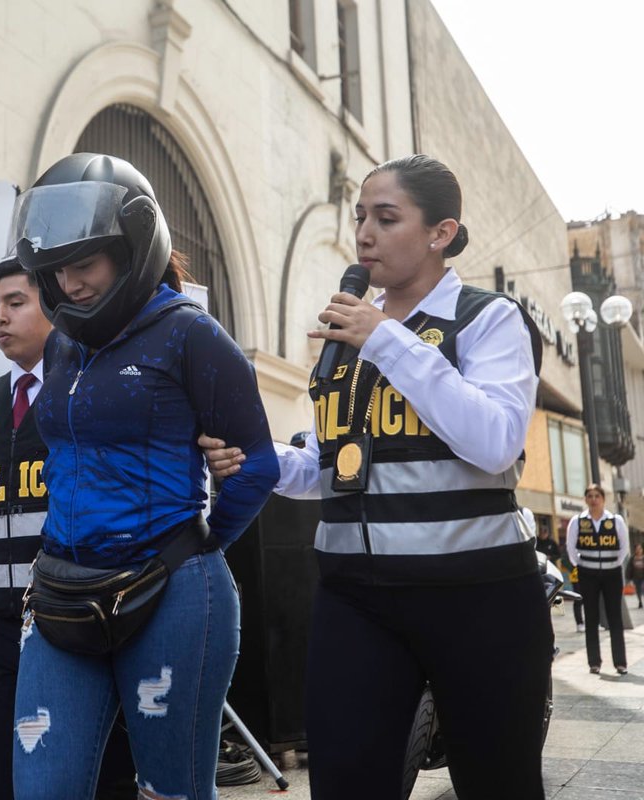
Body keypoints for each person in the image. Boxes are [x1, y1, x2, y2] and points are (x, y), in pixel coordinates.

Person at [205, 155, 550, 799]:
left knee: (498, 782)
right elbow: (332, 467)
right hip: (354, 598)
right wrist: (258, 458)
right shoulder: (353, 337)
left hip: (478, 595)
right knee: (344, 782)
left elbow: (495, 441)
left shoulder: (486, 318)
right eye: (361, 216)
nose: (364, 233)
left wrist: (387, 340)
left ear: (440, 233)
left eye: (386, 218)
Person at [7, 153, 280, 799]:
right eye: (56, 269)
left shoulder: (190, 333)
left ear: (131, 249)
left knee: (171, 793)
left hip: (172, 596)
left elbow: (258, 461)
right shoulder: (62, 344)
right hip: (61, 592)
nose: (69, 284)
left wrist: (205, 543)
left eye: (86, 264)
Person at [0, 257, 136, 799]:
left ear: (51, 303)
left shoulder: (89, 387)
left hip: (72, 615)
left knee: (90, 770)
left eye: (15, 303)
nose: (0, 317)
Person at [567, 484, 630, 674]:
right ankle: (594, 662)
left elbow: (624, 548)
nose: (593, 499)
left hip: (611, 574)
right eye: (590, 496)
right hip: (588, 574)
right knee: (591, 617)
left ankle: (620, 662)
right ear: (585, 499)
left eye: (597, 496)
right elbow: (571, 548)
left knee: (615, 618)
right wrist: (583, 564)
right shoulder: (577, 521)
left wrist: (612, 564)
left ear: (603, 499)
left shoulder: (615, 520)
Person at [628, 543, 644, 610]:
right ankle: (640, 602)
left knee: (642, 589)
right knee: (638, 590)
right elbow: (629, 568)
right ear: (635, 550)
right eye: (637, 549)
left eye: (640, 548)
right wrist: (629, 578)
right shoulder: (632, 558)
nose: (638, 550)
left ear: (642, 549)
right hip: (636, 577)